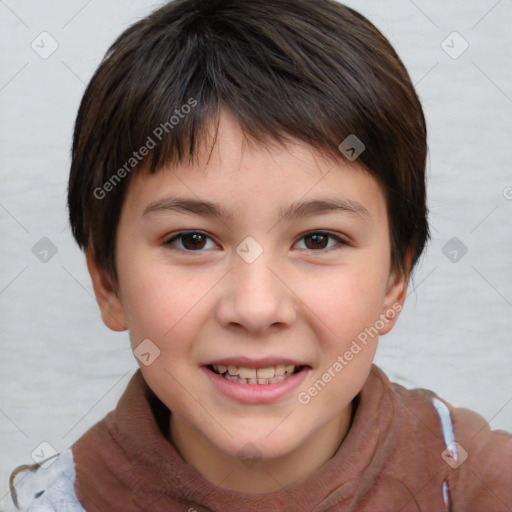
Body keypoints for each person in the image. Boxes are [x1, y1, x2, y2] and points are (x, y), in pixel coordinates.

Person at [7, 0, 511, 510]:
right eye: (192, 240)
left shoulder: (481, 485)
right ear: (107, 282)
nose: (255, 308)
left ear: (394, 281)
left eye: (318, 240)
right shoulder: (55, 501)